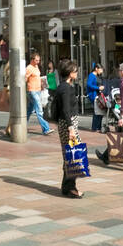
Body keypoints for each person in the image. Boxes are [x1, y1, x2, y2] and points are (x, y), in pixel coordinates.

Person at [52, 59, 84, 198]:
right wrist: (71, 128)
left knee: (70, 154)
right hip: (68, 124)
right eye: (76, 71)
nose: (77, 73)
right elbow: (65, 109)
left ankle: (66, 186)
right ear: (70, 73)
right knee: (73, 155)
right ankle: (71, 188)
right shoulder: (65, 88)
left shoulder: (63, 87)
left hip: (67, 124)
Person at [23, 51, 52, 135]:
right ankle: (46, 129)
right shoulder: (29, 68)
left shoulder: (36, 67)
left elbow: (37, 78)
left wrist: (42, 84)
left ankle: (23, 125)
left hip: (38, 90)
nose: (38, 62)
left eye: (39, 60)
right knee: (39, 110)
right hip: (32, 91)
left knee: (29, 110)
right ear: (32, 59)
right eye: (36, 60)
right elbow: (25, 78)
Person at [86, 62, 104, 131]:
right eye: (100, 69)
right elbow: (89, 85)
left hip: (98, 95)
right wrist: (98, 88)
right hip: (93, 95)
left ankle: (98, 127)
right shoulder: (92, 75)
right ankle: (95, 127)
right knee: (97, 111)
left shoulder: (97, 76)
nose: (101, 71)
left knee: (99, 111)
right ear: (96, 69)